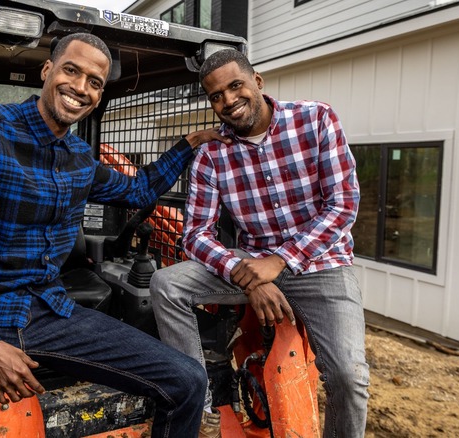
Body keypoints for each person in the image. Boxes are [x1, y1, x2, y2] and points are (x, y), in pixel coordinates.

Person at [0, 32, 228, 438]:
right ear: (47, 70)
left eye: (94, 82)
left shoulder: (80, 161)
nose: (80, 88)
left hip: (46, 311)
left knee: (188, 380)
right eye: (72, 70)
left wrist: (190, 143)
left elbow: (138, 190)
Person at [150, 49, 369, 438]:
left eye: (236, 86)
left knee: (350, 379)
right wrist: (248, 275)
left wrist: (281, 261)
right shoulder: (211, 156)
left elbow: (343, 204)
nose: (228, 101)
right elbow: (195, 235)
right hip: (250, 261)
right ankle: (198, 406)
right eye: (216, 96)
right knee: (166, 284)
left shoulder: (316, 119)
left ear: (258, 82)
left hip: (322, 264)